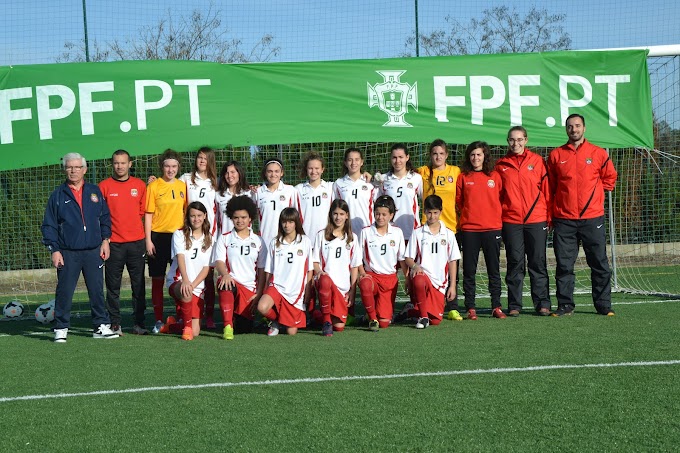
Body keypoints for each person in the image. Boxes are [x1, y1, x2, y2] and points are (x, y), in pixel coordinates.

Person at [42, 152, 118, 342]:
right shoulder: (58, 195)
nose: (73, 170)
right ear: (65, 169)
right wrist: (55, 250)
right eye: (69, 167)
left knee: (96, 290)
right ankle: (61, 328)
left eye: (77, 167)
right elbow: (49, 225)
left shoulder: (94, 191)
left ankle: (100, 326)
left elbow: (105, 218)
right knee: (65, 291)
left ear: (84, 169)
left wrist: (106, 240)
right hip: (68, 252)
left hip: (93, 250)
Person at [548, 113, 618, 316]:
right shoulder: (556, 155)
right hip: (564, 219)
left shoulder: (598, 153)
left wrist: (594, 198)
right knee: (564, 265)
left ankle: (603, 305)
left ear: (584, 128)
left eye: (577, 126)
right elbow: (551, 186)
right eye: (570, 126)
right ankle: (565, 305)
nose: (574, 129)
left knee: (599, 263)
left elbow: (610, 178)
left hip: (592, 218)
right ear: (566, 129)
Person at [495, 126, 552, 316]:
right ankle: (514, 305)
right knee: (515, 263)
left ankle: (543, 303)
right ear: (507, 141)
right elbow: (498, 196)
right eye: (512, 139)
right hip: (511, 221)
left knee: (538, 263)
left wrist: (548, 217)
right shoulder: (501, 165)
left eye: (520, 139)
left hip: (536, 220)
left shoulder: (537, 161)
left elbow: (546, 190)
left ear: (526, 140)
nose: (516, 143)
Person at [99, 149, 149, 335]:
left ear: (130, 164)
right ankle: (115, 324)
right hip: (114, 244)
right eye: (116, 163)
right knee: (113, 286)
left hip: (137, 243)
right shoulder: (103, 186)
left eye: (123, 162)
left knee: (139, 286)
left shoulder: (140, 185)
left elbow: (142, 212)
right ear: (112, 164)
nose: (119, 166)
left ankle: (139, 323)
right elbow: (100, 215)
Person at [456, 142, 506, 320]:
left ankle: (496, 306)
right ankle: (470, 307)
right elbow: (460, 202)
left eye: (479, 154)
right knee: (469, 270)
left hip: (492, 229)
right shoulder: (463, 177)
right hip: (470, 230)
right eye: (472, 155)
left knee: (494, 270)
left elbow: (500, 198)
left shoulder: (495, 176)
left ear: (485, 156)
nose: (475, 158)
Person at [416, 139, 462, 320]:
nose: (438, 157)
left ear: (446, 155)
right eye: (435, 153)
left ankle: (452, 306)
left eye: (441, 153)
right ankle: (423, 303)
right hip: (427, 229)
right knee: (426, 269)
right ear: (430, 155)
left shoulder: (455, 172)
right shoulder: (422, 172)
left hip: (450, 228)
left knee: (452, 268)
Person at [212, 196, 266, 340]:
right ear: (231, 217)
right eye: (236, 217)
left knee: (244, 329)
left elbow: (261, 270)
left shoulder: (258, 241)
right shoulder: (224, 238)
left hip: (250, 290)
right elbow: (219, 262)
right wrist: (225, 274)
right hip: (232, 282)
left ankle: (236, 317)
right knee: (225, 284)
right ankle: (227, 326)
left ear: (250, 218)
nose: (240, 221)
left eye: (243, 217)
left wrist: (259, 293)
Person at [145, 149, 187, 333]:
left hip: (177, 238)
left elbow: (187, 212)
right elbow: (148, 215)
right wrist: (148, 240)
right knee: (158, 279)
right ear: (162, 166)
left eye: (174, 166)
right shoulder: (154, 186)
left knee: (178, 279)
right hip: (158, 237)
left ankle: (181, 316)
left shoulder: (182, 186)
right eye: (167, 166)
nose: (170, 170)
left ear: (178, 167)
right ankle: (158, 319)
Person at [404, 195, 461, 329]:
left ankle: (409, 312)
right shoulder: (418, 233)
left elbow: (453, 261)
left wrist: (452, 286)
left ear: (440, 212)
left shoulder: (449, 234)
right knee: (418, 278)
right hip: (423, 279)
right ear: (424, 212)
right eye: (429, 212)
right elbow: (408, 258)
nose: (432, 216)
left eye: (435, 212)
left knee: (436, 320)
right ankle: (423, 317)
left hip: (440, 283)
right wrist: (415, 266)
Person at [257, 208, 314, 336]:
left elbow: (310, 269)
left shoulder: (305, 241)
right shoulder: (274, 242)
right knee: (262, 307)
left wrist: (308, 289)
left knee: (291, 332)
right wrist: (267, 288)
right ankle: (275, 321)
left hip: (295, 290)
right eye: (284, 222)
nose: (286, 225)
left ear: (296, 223)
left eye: (290, 222)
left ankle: (283, 320)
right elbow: (269, 270)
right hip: (277, 286)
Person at [161, 202, 213, 340]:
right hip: (178, 281)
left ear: (205, 216)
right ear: (188, 217)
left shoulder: (209, 238)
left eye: (199, 215)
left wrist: (193, 285)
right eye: (192, 216)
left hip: (196, 286)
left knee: (196, 331)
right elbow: (181, 258)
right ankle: (187, 329)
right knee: (186, 292)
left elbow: (206, 268)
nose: (196, 219)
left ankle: (171, 325)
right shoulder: (179, 234)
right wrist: (185, 280)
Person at [179, 148, 219, 329]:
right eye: (199, 157)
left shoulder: (216, 183)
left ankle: (209, 315)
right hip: (190, 233)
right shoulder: (186, 178)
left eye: (205, 158)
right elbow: (171, 186)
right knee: (186, 273)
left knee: (208, 275)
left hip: (210, 235)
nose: (202, 161)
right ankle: (183, 313)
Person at [357, 195, 408, 331]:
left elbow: (402, 259)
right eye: (377, 214)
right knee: (365, 283)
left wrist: (407, 278)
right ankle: (372, 318)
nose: (380, 217)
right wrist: (362, 273)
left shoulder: (397, 232)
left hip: (389, 279)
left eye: (384, 214)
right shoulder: (366, 232)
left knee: (385, 322)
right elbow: (357, 258)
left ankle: (367, 317)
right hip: (372, 276)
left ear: (391, 215)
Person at [313, 199, 360, 336]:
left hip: (342, 288)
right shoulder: (321, 235)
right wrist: (320, 272)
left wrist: (352, 290)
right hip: (325, 283)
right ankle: (326, 321)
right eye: (335, 214)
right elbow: (315, 261)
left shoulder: (352, 238)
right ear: (330, 215)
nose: (338, 217)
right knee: (326, 280)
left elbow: (354, 267)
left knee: (339, 327)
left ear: (347, 215)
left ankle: (316, 315)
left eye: (341, 214)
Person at [379, 143, 423, 243]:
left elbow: (426, 201)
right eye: (394, 157)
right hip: (390, 231)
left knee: (410, 259)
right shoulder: (383, 179)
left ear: (407, 157)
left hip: (412, 231)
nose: (397, 161)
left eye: (401, 157)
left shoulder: (416, 178)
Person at [254, 158, 301, 247]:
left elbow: (296, 216)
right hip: (264, 240)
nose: (273, 174)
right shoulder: (258, 192)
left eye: (276, 171)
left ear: (281, 173)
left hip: (286, 239)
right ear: (265, 173)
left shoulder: (290, 190)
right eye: (270, 171)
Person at [332, 148, 378, 237]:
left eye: (357, 160)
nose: (353, 163)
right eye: (350, 160)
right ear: (345, 162)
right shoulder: (338, 183)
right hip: (346, 232)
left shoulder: (370, 183)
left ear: (362, 162)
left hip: (368, 231)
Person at [295, 151, 333, 239]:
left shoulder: (331, 187)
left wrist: (367, 176)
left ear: (322, 169)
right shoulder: (298, 189)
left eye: (317, 168)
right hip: (305, 238)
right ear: (306, 169)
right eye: (310, 168)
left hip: (326, 238)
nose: (313, 171)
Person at [215, 160, 252, 237]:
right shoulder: (218, 195)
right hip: (225, 240)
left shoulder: (249, 193)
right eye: (227, 173)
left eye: (232, 172)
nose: (229, 176)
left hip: (245, 240)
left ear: (239, 173)